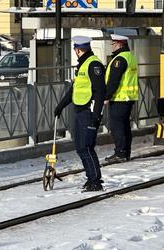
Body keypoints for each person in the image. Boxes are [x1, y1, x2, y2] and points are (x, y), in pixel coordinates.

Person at [54, 36, 106, 192]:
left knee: (87, 147)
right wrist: (61, 106)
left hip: (88, 112)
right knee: (80, 147)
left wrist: (96, 117)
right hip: (80, 111)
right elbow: (74, 90)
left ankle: (96, 181)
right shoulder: (83, 65)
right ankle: (91, 178)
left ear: (78, 49)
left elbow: (100, 92)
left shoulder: (93, 65)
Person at [104, 34, 139, 163]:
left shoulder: (119, 60)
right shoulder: (130, 57)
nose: (111, 47)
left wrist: (106, 96)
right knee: (124, 126)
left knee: (117, 126)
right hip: (129, 97)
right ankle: (125, 152)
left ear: (119, 44)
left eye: (113, 44)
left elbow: (114, 81)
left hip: (119, 98)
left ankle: (120, 153)